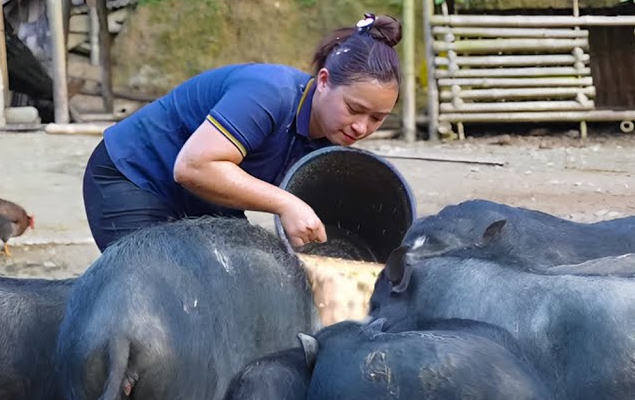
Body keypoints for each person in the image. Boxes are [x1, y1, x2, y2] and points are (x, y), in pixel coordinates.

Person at [82, 13, 402, 251]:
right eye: (354, 109)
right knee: (162, 291)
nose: (361, 127)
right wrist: (286, 203)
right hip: (135, 174)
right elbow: (193, 166)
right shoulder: (268, 93)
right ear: (322, 81)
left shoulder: (329, 141)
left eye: (377, 118)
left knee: (240, 281)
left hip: (204, 196)